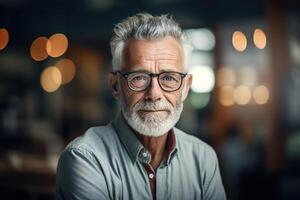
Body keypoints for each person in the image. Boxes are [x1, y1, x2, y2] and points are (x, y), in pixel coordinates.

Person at [55, 13, 226, 200]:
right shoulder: (85, 158)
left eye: (168, 78)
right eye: (139, 77)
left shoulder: (203, 159)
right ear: (115, 85)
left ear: (185, 88)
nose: (154, 94)